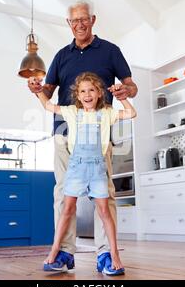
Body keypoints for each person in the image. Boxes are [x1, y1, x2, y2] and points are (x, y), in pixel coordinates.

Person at [28, 0, 138, 273]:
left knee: (105, 196)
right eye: (74, 20)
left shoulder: (111, 51)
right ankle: (64, 252)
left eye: (84, 19)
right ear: (69, 23)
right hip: (64, 133)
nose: (79, 24)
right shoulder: (61, 55)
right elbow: (49, 91)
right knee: (63, 195)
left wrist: (127, 92)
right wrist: (37, 88)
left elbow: (130, 85)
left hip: (100, 135)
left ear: (93, 20)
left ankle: (105, 254)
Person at [38, 72, 136, 275]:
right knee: (66, 209)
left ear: (99, 93)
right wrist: (40, 91)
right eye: (83, 91)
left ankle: (114, 254)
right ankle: (55, 250)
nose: (87, 94)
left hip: (98, 169)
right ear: (78, 94)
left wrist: (122, 98)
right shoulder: (73, 111)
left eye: (91, 90)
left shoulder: (107, 112)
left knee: (104, 212)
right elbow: (48, 106)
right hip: (76, 168)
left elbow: (131, 113)